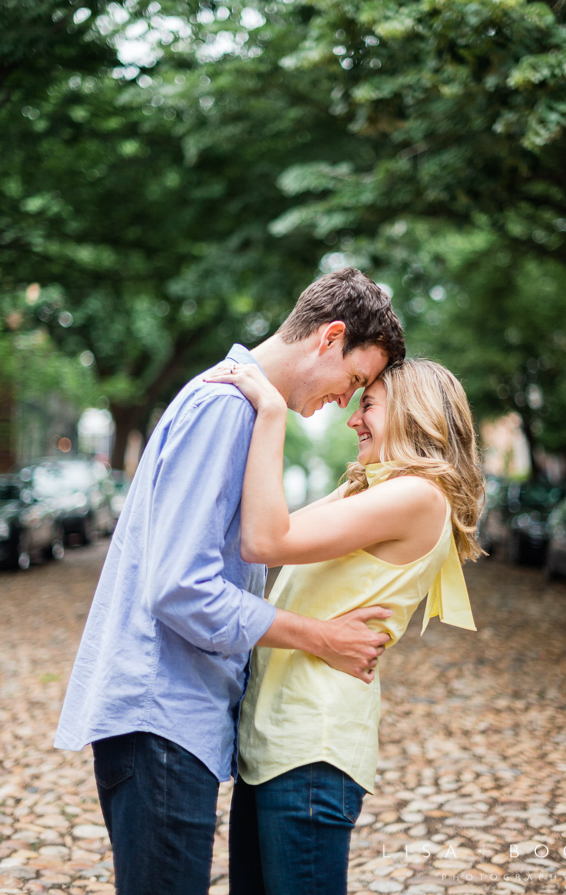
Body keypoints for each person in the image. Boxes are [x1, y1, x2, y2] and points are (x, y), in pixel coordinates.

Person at [54, 269, 405, 895]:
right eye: (353, 380)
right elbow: (181, 587)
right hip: (160, 719)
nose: (345, 402)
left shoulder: (243, 407)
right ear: (329, 338)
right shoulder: (226, 408)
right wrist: (318, 637)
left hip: (168, 723)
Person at [205, 357, 484, 895]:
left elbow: (266, 542)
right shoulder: (371, 487)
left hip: (312, 749)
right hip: (274, 744)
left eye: (369, 404)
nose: (353, 419)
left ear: (412, 413)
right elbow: (267, 531)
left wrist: (271, 412)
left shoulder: (418, 496)